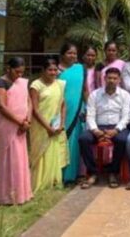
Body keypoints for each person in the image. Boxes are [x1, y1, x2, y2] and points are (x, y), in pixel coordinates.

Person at [78, 67, 130, 189]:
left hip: (116, 127)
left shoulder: (125, 95)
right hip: (98, 126)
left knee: (122, 140)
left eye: (115, 78)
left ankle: (113, 172)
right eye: (109, 78)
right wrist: (95, 130)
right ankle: (93, 173)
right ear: (104, 79)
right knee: (83, 139)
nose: (112, 80)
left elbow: (126, 116)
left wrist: (116, 130)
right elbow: (90, 115)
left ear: (119, 80)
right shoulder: (94, 94)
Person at [0, 57, 32, 205]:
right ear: (8, 68)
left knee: (20, 160)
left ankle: (22, 193)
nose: (19, 75)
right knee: (9, 160)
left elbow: (29, 101)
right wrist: (20, 122)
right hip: (8, 128)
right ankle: (8, 196)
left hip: (21, 128)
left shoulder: (22, 83)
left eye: (22, 72)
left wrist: (27, 121)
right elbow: (1, 107)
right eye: (17, 72)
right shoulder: (0, 83)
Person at [30, 57, 68, 193]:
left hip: (56, 126)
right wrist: (47, 128)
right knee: (41, 153)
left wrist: (61, 123)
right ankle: (39, 182)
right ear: (43, 70)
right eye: (50, 70)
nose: (53, 73)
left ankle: (52, 181)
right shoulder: (36, 85)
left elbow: (63, 105)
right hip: (41, 126)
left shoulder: (60, 84)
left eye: (55, 70)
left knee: (54, 152)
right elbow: (34, 109)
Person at [58, 42, 85, 184]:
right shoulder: (55, 70)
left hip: (78, 110)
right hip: (60, 111)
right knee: (61, 141)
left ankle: (73, 175)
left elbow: (85, 90)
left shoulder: (80, 69)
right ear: (62, 55)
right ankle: (59, 174)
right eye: (69, 53)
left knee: (75, 143)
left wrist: (87, 108)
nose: (73, 56)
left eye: (75, 53)